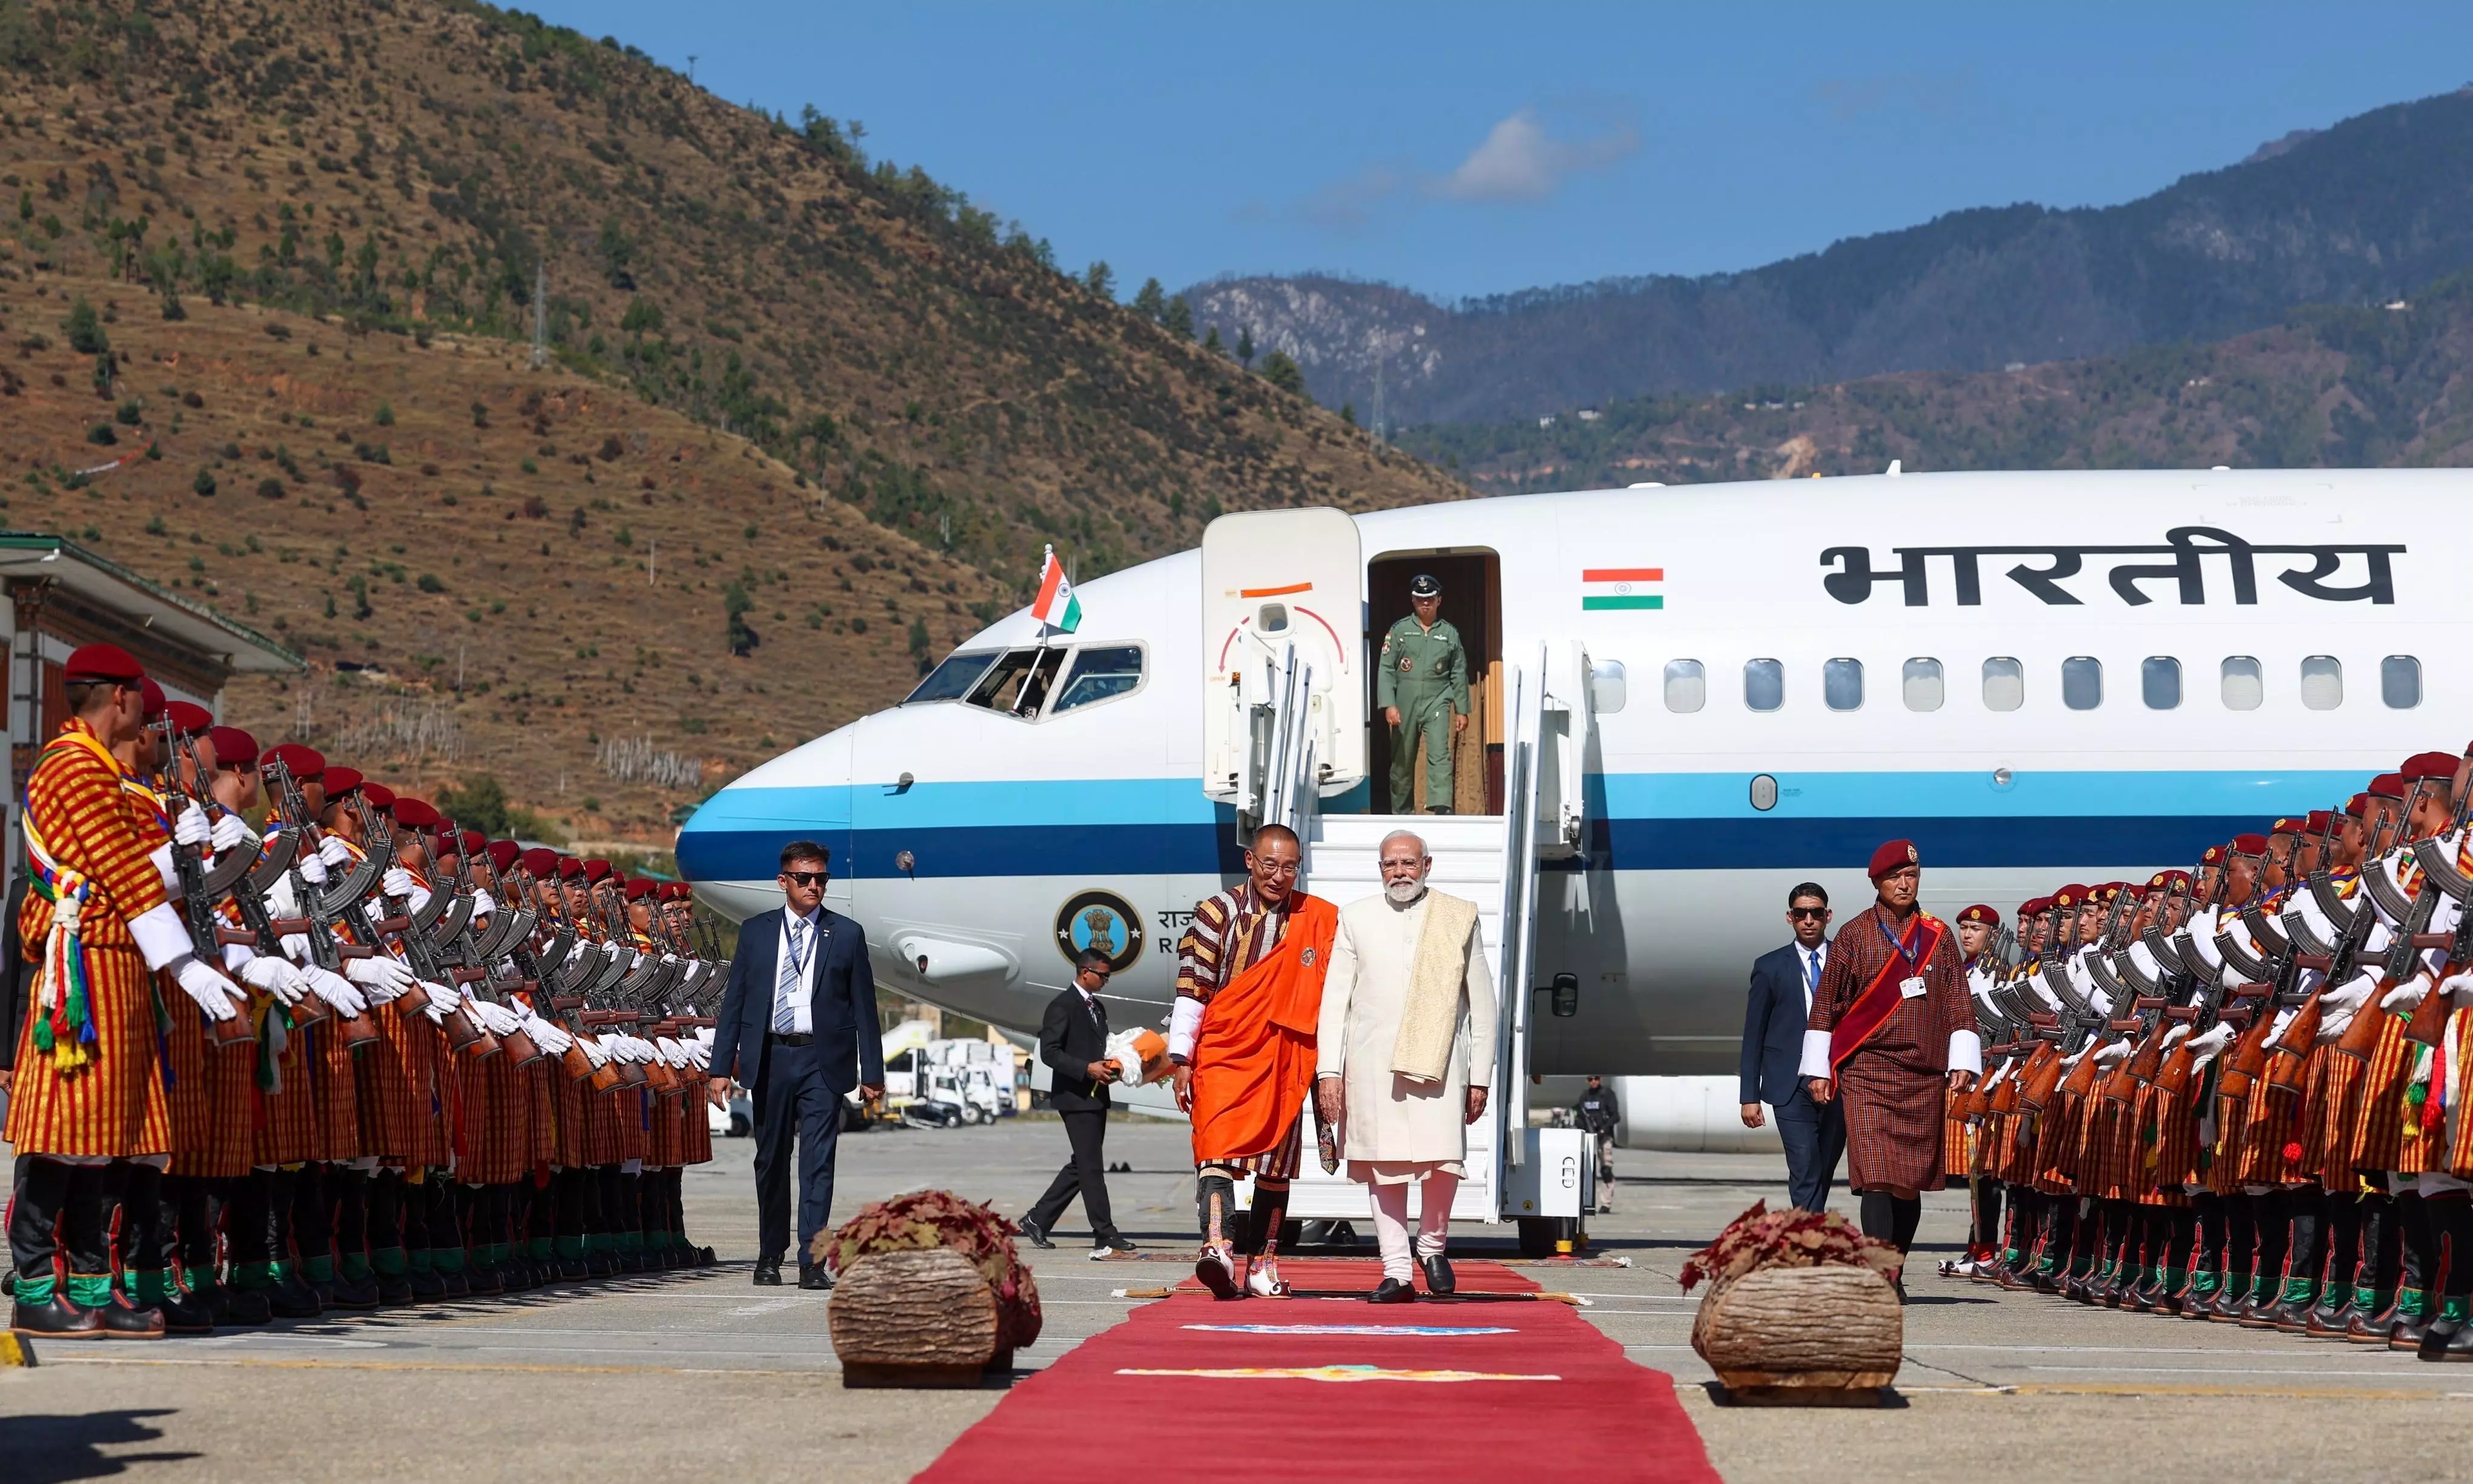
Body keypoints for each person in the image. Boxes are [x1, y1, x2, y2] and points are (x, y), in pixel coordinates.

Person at [8, 644, 247, 1338]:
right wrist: (186, 965)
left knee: (101, 1134)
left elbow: (132, 878)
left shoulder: (102, 768)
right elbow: (124, 876)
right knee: (62, 1129)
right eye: (140, 697)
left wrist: (196, 862)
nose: (145, 710)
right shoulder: (74, 767)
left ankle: (88, 1286)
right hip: (81, 965)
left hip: (116, 961)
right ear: (118, 698)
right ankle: (33, 1288)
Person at [1313, 830, 1494, 1303]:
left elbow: (1483, 1004)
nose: (1400, 872)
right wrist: (1328, 1071)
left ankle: (1432, 1246)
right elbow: (1335, 1003)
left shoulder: (1458, 916)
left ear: (1426, 865)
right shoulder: (1355, 917)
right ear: (1380, 868)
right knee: (1382, 1166)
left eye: (1408, 863)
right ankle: (1396, 1270)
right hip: (1373, 1068)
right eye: (1390, 864)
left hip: (1439, 1063)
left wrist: (1480, 1076)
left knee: (1444, 1161)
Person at [707, 841, 885, 1290]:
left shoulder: (845, 933)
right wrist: (719, 1066)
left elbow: (866, 1006)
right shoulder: (756, 931)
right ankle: (770, 1254)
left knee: (818, 1161)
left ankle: (812, 1260)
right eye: (804, 878)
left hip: (823, 1060)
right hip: (770, 1056)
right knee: (770, 1160)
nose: (814, 886)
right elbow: (735, 1004)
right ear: (783, 880)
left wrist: (874, 1073)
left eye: (821, 878)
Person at [1170, 823, 1337, 1300]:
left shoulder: (1318, 918)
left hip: (1288, 1053)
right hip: (1225, 1048)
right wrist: (1181, 1056)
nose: (1278, 876)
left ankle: (1262, 1264)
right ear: (1250, 861)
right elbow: (1192, 986)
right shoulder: (1216, 913)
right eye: (1269, 864)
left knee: (1276, 1163)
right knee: (1216, 1145)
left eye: (1289, 867)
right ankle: (1217, 1247)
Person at [1803, 839, 1979, 1291]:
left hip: (1921, 1073)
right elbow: (1824, 1005)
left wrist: (1962, 1060)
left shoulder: (1937, 937)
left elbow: (1959, 1002)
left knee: (1907, 1183)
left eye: (1911, 876)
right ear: (1876, 882)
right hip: (1866, 1071)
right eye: (1894, 877)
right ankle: (1880, 1275)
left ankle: (1895, 1267)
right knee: (1876, 1176)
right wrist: (1818, 1069)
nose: (1904, 884)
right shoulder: (1854, 934)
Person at [1020, 949, 1137, 1259]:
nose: (1106, 981)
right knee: (1091, 1166)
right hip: (1074, 1096)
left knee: (1082, 1165)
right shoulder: (1062, 1006)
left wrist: (1115, 1065)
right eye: (1103, 975)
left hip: (1096, 1095)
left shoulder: (1097, 1007)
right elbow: (1050, 1052)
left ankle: (1037, 1219)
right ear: (1086, 972)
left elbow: (1100, 1046)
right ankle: (1105, 1233)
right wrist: (1087, 1068)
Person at [1740, 882, 1846, 1214]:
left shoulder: (1847, 963)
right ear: (1790, 918)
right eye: (1801, 913)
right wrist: (1749, 1096)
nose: (1809, 920)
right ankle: (1807, 1238)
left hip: (1837, 1079)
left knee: (1824, 1166)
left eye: (1816, 913)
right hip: (1789, 1083)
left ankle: (1808, 1231)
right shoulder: (1770, 966)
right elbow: (1753, 1035)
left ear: (1828, 916)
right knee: (1804, 1163)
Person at [1376, 574, 1469, 814]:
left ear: (1439, 601)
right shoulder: (1400, 631)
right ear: (1413, 601)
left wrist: (1462, 709)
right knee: (1403, 758)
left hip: (1437, 698)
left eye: (1429, 599)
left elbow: (1458, 671)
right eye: (1419, 599)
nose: (1424, 604)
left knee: (1440, 753)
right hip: (1405, 701)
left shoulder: (1449, 633)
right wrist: (1389, 704)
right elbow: (1386, 667)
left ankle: (1441, 807)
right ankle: (1402, 810)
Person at [1573, 1075, 1620, 1214]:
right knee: (1586, 1170)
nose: (1594, 1082)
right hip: (1589, 1138)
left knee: (1606, 1170)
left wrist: (1604, 1129)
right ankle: (1586, 1202)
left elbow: (1616, 1116)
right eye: (1590, 1079)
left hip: (1604, 1137)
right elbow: (1578, 1113)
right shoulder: (1585, 1096)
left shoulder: (1607, 1095)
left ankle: (1606, 1203)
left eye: (1596, 1079)